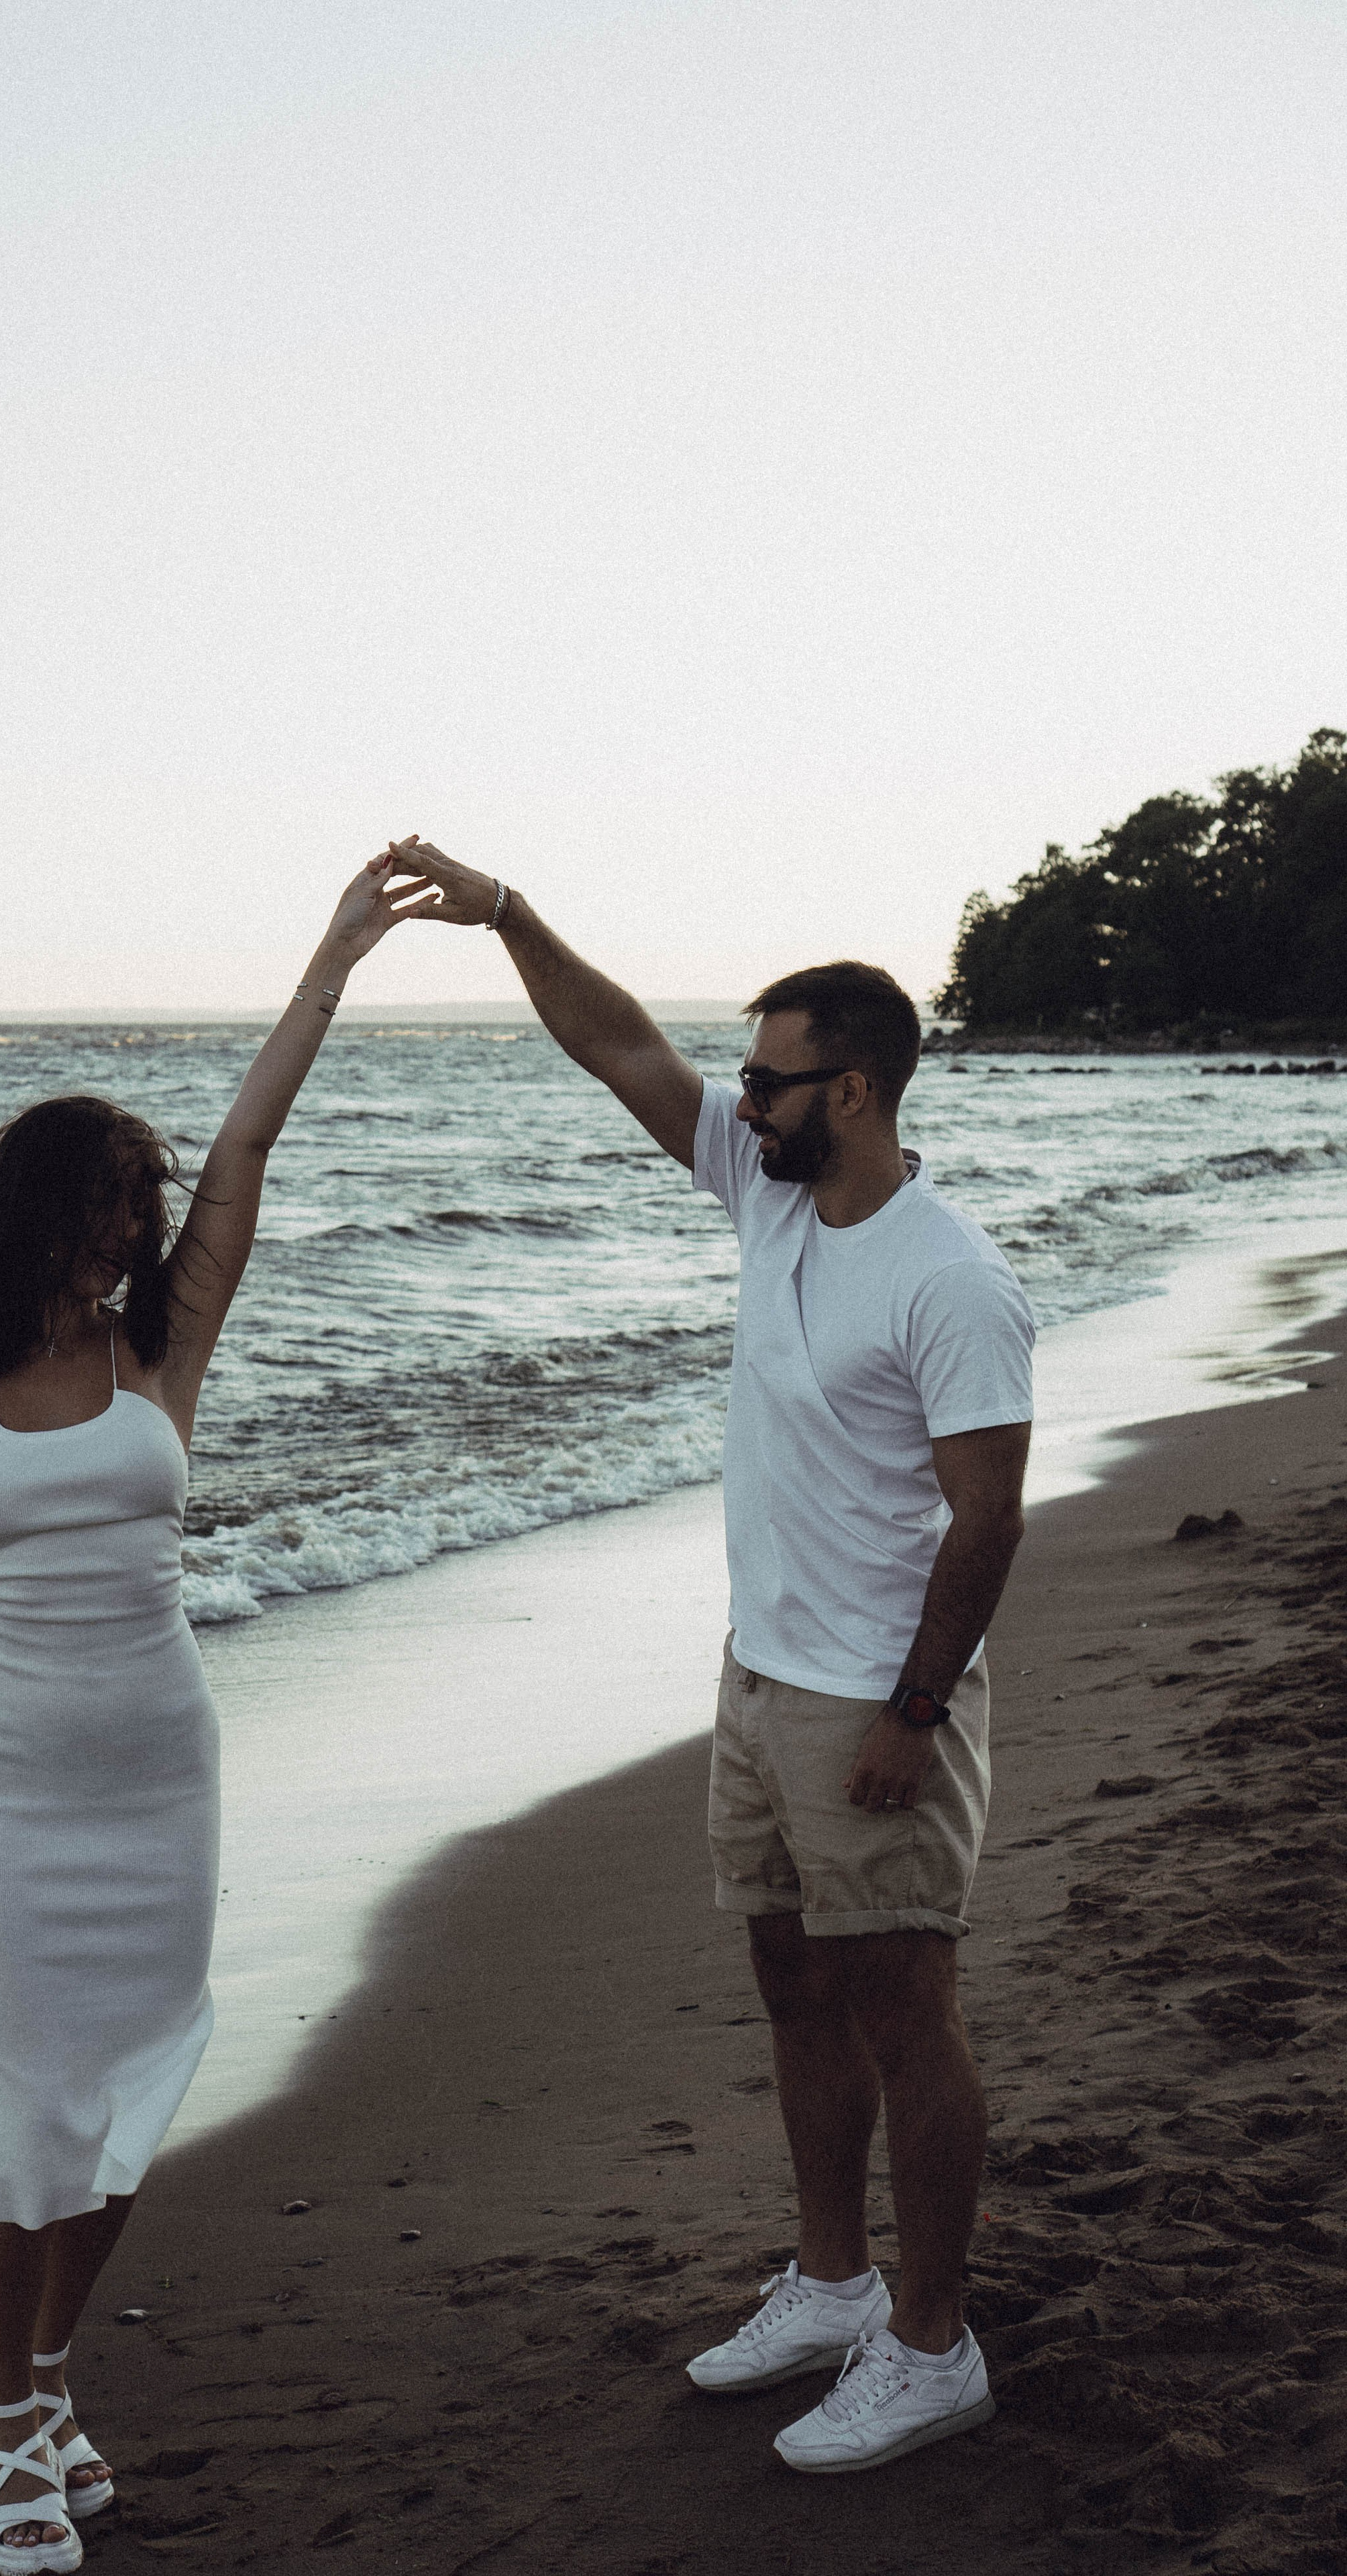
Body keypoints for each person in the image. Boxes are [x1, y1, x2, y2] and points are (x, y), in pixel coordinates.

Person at [383, 839, 1033, 2475]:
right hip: (757, 1681)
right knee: (789, 1982)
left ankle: (933, 2344)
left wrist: (909, 1710)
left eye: (772, 1079)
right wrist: (510, 916)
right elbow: (616, 1047)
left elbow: (986, 1526)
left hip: (873, 1701)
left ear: (858, 1091)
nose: (740, 1101)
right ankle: (829, 2286)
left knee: (905, 2007)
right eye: (746, 1078)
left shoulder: (951, 1279)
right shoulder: (770, 1191)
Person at [0, 854, 435, 2573]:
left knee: (127, 2099)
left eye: (141, 1199)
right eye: (106, 1201)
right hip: (9, 1782)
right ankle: (22, 2434)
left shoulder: (160, 1347)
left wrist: (330, 958)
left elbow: (249, 1149)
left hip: (159, 1768)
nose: (133, 1223)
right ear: (36, 1208)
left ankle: (23, 2377)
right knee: (23, 2101)